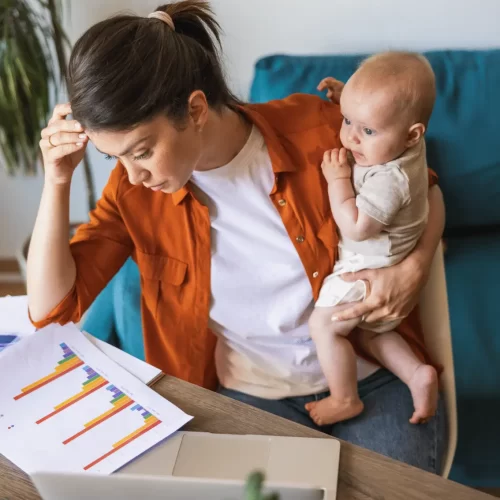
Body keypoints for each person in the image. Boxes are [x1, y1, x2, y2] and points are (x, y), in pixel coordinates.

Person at [28, 1, 446, 473]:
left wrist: (417, 264)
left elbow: (423, 187)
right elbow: (50, 310)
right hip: (252, 398)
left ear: (196, 108)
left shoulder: (317, 130)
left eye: (143, 151)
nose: (134, 175)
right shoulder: (132, 192)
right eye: (115, 158)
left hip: (375, 375)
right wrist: (57, 180)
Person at [305, 52, 439, 427]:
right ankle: (417, 374)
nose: (350, 137)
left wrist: (337, 180)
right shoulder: (405, 140)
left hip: (371, 263)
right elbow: (382, 115)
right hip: (390, 253)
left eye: (367, 131)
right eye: (348, 120)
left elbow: (357, 227)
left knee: (324, 326)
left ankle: (345, 397)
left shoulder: (389, 179)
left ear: (413, 134)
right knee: (372, 332)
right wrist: (350, 100)